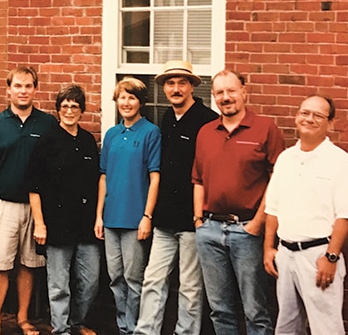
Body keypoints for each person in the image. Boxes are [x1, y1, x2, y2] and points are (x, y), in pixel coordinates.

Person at [192, 69, 285, 335]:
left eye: (231, 91)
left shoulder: (265, 128)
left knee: (255, 309)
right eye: (219, 93)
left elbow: (278, 180)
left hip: (247, 231)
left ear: (244, 91)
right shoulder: (206, 132)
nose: (226, 97)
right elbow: (197, 179)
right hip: (209, 230)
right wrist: (198, 220)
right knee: (220, 309)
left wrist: (257, 223)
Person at [0, 66, 58, 335]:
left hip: (35, 208)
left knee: (29, 265)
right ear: (8, 89)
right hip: (1, 206)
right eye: (17, 86)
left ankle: (23, 319)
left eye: (28, 86)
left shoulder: (47, 124)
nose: (23, 91)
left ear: (35, 89)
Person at [135, 61, 219, 335]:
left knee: (190, 287)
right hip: (164, 219)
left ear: (193, 86)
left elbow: (209, 171)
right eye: (170, 83)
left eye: (182, 82)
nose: (176, 88)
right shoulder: (168, 119)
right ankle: (146, 331)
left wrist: (200, 215)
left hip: (192, 220)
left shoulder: (207, 120)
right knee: (153, 280)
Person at [264, 95, 348, 334]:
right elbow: (272, 208)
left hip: (319, 256)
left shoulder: (339, 160)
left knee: (326, 328)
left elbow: (345, 215)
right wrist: (269, 248)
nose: (309, 119)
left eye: (318, 115)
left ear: (330, 123)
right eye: (305, 113)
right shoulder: (285, 159)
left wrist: (331, 257)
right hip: (285, 256)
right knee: (286, 327)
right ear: (297, 117)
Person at [28, 84, 101, 335]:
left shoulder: (88, 141)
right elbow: (34, 187)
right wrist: (40, 223)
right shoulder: (47, 141)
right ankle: (61, 329)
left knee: (90, 280)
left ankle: (76, 322)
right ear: (58, 110)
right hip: (56, 223)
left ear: (82, 111)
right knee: (58, 284)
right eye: (65, 106)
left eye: (75, 106)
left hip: (85, 223)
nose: (70, 110)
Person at [95, 77, 161, 335]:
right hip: (111, 218)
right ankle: (123, 326)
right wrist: (99, 216)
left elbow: (155, 177)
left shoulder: (150, 132)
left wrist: (147, 215)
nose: (126, 102)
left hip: (135, 218)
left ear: (140, 102)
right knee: (115, 277)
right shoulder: (112, 134)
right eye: (122, 97)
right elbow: (104, 177)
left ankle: (135, 328)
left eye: (131, 97)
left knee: (135, 279)